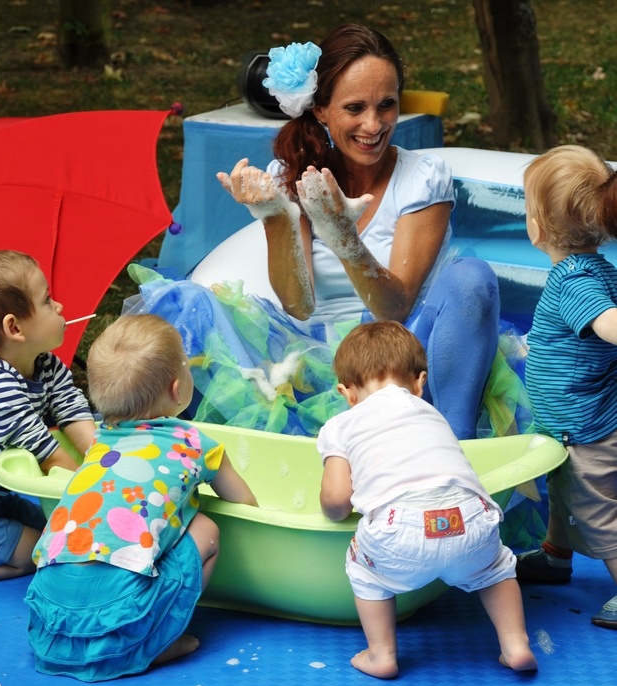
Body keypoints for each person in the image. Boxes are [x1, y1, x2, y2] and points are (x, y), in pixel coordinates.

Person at [127, 23, 501, 441]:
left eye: (387, 105)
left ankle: (455, 447)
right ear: (321, 109)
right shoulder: (296, 176)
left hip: (403, 363)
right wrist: (276, 216)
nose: (374, 124)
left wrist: (343, 237)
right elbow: (298, 305)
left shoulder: (422, 178)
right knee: (181, 304)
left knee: (472, 277)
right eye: (355, 108)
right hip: (316, 367)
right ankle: (154, 454)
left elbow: (394, 308)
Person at [24, 314, 258, 682]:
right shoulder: (194, 443)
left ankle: (114, 641)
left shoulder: (98, 444)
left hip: (50, 610)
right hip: (121, 608)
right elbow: (247, 505)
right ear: (177, 389)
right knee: (205, 528)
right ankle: (159, 642)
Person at [317, 320, 538, 678]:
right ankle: (515, 644)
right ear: (420, 383)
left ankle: (381, 654)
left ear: (347, 393)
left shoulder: (340, 426)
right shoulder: (431, 414)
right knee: (495, 569)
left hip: (399, 529)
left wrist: (333, 511)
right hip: (470, 517)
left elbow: (337, 499)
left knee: (363, 569)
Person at [515, 145, 617, 630]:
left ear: (537, 228)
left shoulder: (573, 279)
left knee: (597, 512)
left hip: (586, 428)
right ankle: (556, 555)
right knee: (562, 487)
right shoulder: (596, 269)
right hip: (572, 421)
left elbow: (605, 322)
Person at [0, 250, 95, 583]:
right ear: (14, 327)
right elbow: (46, 454)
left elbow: (71, 408)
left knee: (53, 527)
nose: (60, 307)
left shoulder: (45, 363)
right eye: (47, 301)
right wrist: (97, 492)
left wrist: (101, 459)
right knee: (40, 550)